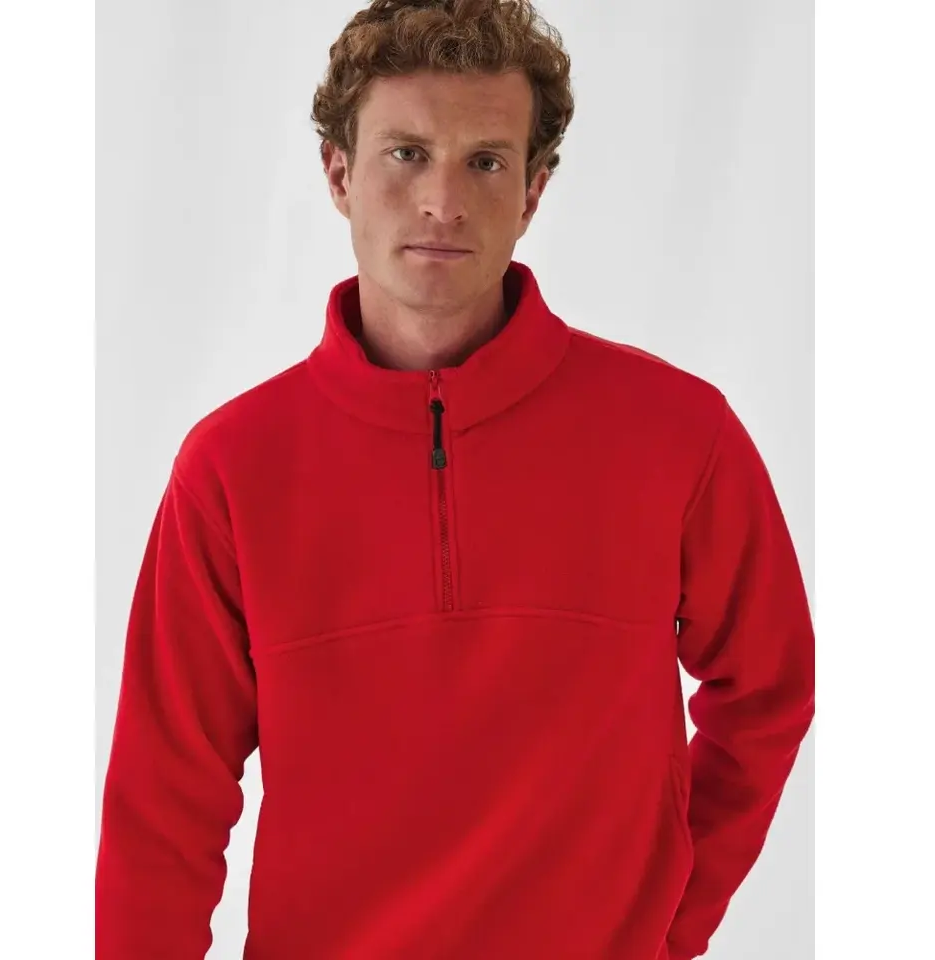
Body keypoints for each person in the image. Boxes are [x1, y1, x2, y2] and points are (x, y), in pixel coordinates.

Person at [94, 1, 815, 957]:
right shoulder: (232, 467)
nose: (443, 200)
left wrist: (668, 919)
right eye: (406, 154)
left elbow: (768, 688)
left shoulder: (680, 433)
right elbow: (164, 802)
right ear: (339, 173)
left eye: (485, 161)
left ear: (534, 191)